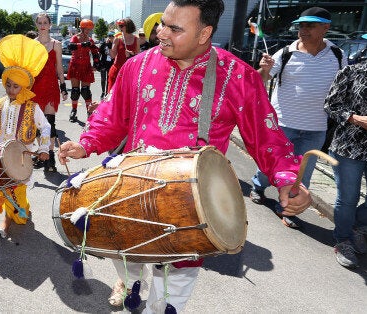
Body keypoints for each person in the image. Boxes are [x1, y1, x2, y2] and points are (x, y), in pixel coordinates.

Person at [58, 1, 312, 312]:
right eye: (163, 24)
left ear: (205, 33)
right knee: (124, 255)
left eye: (175, 29)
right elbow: (112, 115)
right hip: (128, 193)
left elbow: (267, 136)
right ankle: (128, 280)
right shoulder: (137, 65)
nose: (161, 33)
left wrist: (286, 177)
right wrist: (86, 143)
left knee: (168, 294)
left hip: (189, 210)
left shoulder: (238, 76)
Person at [249, 6, 346, 228]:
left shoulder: (338, 56)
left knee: (302, 174)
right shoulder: (285, 53)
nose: (303, 30)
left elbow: (343, 89)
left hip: (316, 127)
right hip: (282, 125)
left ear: (326, 27)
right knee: (271, 167)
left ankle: (288, 209)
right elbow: (258, 80)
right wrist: (264, 68)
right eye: (301, 25)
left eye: (310, 25)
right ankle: (258, 187)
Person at [0, 34, 52, 238]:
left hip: (23, 158)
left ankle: (13, 217)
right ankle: (6, 222)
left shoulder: (33, 108)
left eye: (16, 86)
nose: (11, 90)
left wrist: (43, 149)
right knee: (4, 188)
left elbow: (46, 127)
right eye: (9, 85)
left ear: (24, 87)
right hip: (0, 157)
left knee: (18, 191)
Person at [323, 59, 367, 268]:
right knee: (348, 198)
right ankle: (343, 241)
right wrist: (356, 119)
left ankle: (357, 227)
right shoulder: (351, 71)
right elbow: (331, 105)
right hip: (349, 147)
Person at [31, 12, 68, 172]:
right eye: (39, 23)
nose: (42, 25)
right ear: (36, 25)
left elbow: (59, 67)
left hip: (51, 88)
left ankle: (50, 156)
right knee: (39, 126)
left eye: (45, 22)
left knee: (50, 124)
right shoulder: (32, 44)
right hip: (35, 88)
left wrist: (63, 87)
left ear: (50, 25)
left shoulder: (56, 44)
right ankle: (42, 153)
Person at [66, 18, 99, 122]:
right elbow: (70, 46)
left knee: (86, 91)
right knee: (75, 91)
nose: (88, 31)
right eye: (87, 29)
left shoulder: (90, 40)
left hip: (86, 66)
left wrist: (97, 63)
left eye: (90, 29)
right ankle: (74, 110)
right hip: (75, 65)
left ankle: (89, 112)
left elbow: (94, 52)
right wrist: (83, 44)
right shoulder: (75, 37)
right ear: (82, 28)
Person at [107, 18, 139, 93]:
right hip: (117, 69)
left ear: (128, 26)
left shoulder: (136, 39)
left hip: (130, 71)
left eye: (121, 26)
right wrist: (109, 45)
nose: (119, 28)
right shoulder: (117, 39)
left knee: (127, 95)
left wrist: (132, 54)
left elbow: (138, 56)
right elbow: (112, 56)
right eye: (119, 26)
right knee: (113, 94)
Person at [98, 32, 115, 99]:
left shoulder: (114, 44)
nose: (110, 37)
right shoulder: (104, 44)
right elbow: (99, 53)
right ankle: (103, 92)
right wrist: (98, 63)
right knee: (103, 79)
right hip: (103, 64)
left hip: (111, 64)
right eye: (109, 36)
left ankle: (107, 92)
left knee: (109, 79)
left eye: (112, 36)